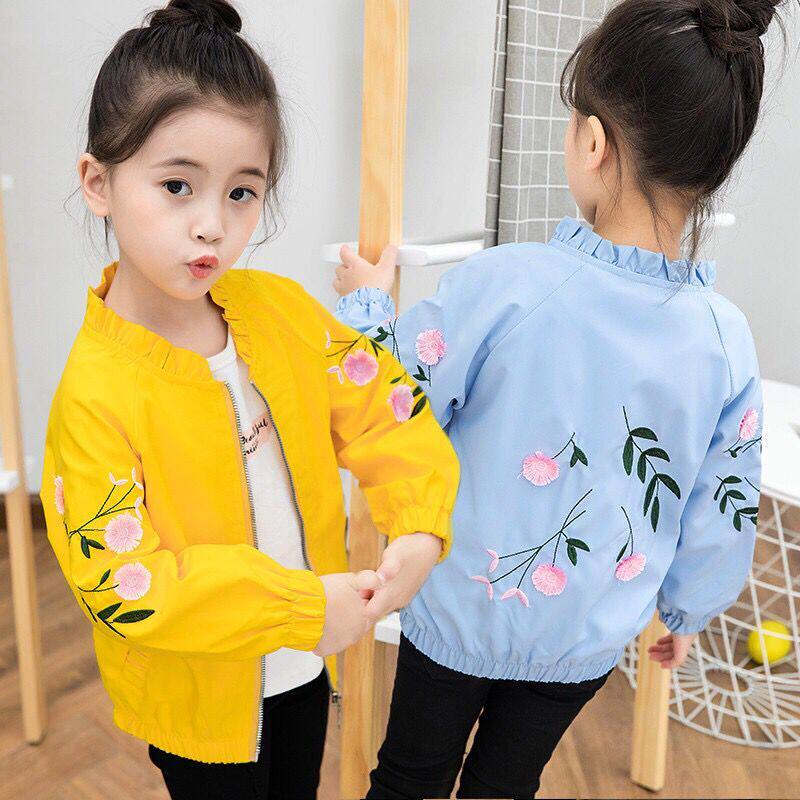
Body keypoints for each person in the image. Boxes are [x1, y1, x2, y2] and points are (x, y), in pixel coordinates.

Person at [333, 1, 781, 796]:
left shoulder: (504, 285)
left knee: (408, 778)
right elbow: (725, 504)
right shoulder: (726, 340)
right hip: (586, 639)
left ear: (592, 142)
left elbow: (392, 400)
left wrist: (368, 305)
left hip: (459, 611)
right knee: (509, 786)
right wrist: (686, 612)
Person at [39, 1, 459, 798]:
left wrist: (419, 524)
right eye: (177, 185)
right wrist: (300, 606)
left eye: (242, 192)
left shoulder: (278, 312)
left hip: (305, 666)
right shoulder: (93, 396)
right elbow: (127, 584)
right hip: (199, 703)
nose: (212, 225)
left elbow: (386, 408)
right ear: (98, 182)